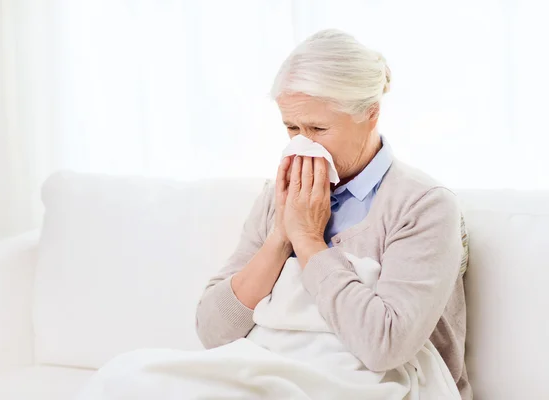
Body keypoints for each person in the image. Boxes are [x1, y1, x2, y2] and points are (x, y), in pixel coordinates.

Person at [196, 29, 471, 399]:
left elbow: (384, 346)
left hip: (380, 386)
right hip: (270, 377)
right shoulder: (277, 195)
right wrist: (281, 235)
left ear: (371, 114)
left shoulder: (423, 205)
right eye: (291, 128)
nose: (302, 143)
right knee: (128, 378)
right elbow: (213, 332)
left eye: (318, 128)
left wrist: (308, 239)